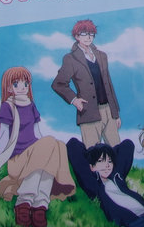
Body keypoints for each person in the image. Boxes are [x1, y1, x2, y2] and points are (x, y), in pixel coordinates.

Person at [0, 66, 75, 227]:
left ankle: (40, 205)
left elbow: (37, 133)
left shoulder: (31, 105)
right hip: (18, 159)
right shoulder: (8, 106)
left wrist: (48, 150)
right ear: (9, 87)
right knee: (51, 144)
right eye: (16, 84)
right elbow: (3, 135)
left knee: (56, 146)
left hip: (34, 154)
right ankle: (23, 202)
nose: (22, 87)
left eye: (25, 83)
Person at [51, 19, 120, 148]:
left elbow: (109, 85)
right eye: (84, 33)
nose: (88, 37)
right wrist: (74, 100)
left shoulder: (102, 56)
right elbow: (58, 84)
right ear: (77, 36)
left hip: (108, 110)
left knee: (116, 150)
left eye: (91, 34)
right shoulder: (71, 59)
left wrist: (115, 114)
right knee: (92, 153)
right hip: (88, 112)